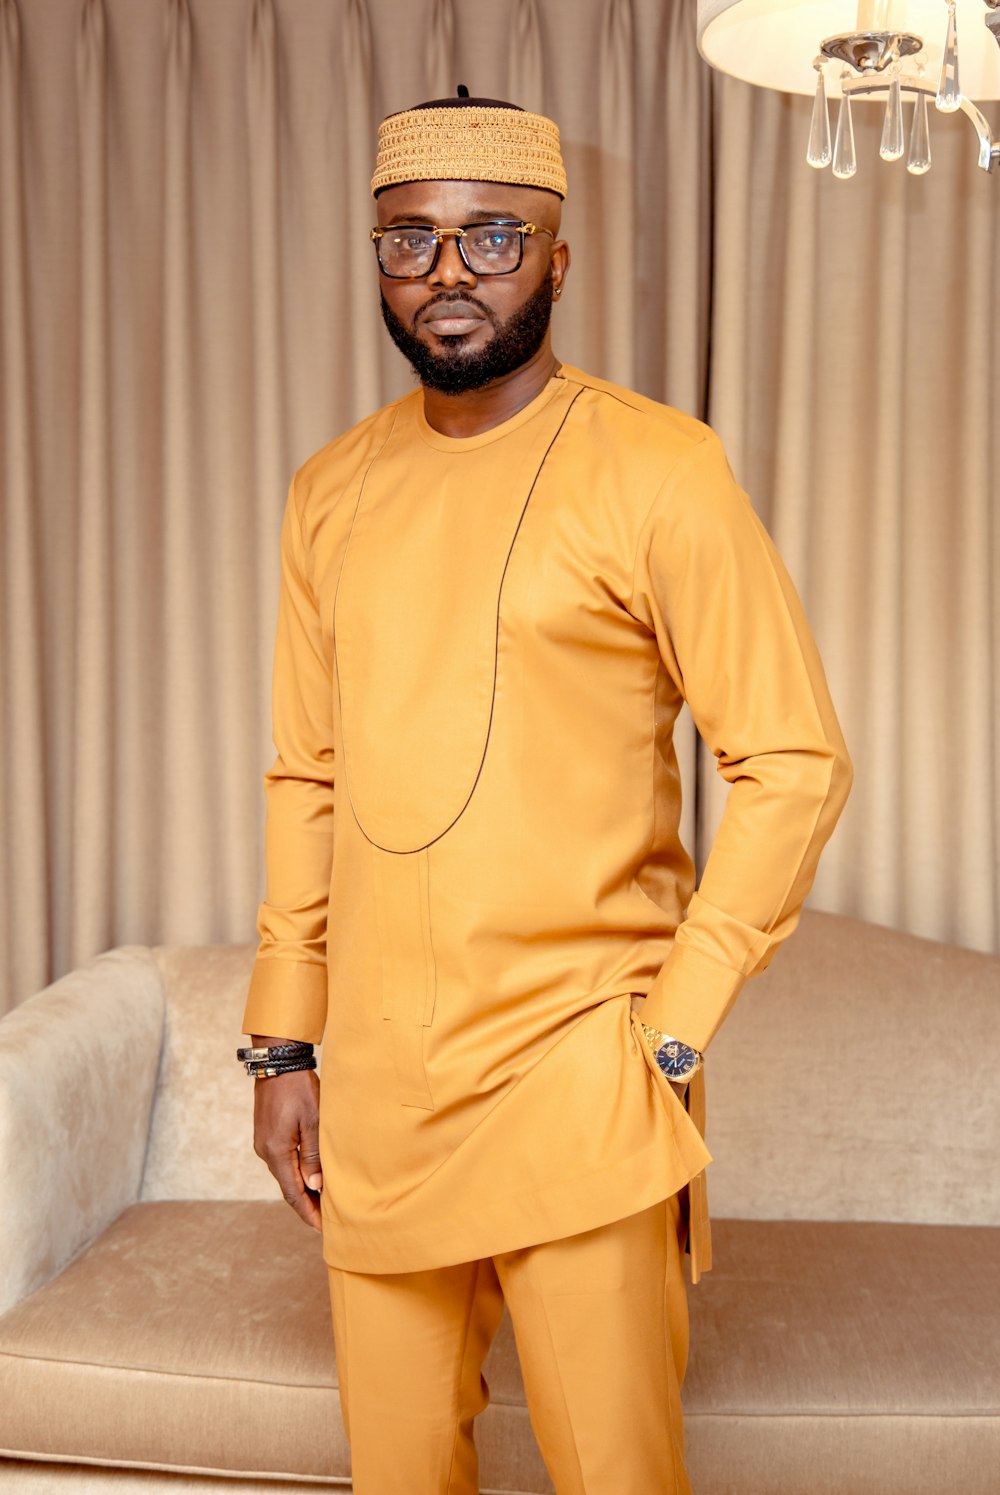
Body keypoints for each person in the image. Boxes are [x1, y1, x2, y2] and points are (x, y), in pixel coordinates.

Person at [239, 89, 852, 1495]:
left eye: (492, 237)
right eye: (412, 243)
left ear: (559, 261)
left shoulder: (658, 466)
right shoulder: (329, 489)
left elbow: (793, 760)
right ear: (378, 257)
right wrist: (284, 1047)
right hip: (381, 1091)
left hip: (585, 1072)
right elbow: (307, 772)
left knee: (615, 1478)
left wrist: (677, 1028)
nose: (450, 274)